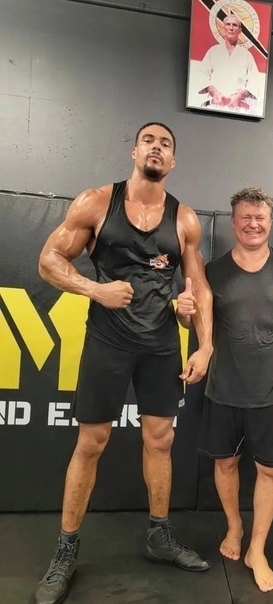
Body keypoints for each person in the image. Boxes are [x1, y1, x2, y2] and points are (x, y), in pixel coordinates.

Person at [35, 122, 214, 604]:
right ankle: (65, 551)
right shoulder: (96, 202)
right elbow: (49, 260)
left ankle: (159, 536)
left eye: (166, 144)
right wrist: (95, 289)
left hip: (161, 345)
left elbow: (199, 287)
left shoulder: (184, 219)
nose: (157, 148)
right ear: (134, 151)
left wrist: (204, 344)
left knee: (161, 439)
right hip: (108, 341)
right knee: (91, 443)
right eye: (149, 141)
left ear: (173, 161)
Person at [177, 187, 273, 593]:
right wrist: (184, 313)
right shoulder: (213, 271)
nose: (253, 224)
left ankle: (257, 549)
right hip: (223, 390)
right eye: (245, 217)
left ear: (270, 222)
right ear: (233, 223)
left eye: (260, 217)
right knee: (226, 465)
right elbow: (194, 323)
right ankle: (234, 526)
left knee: (271, 471)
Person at [192, 14, 262, 114]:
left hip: (237, 107)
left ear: (240, 30)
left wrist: (239, 96)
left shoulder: (246, 55)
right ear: (223, 28)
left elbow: (255, 82)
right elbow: (201, 75)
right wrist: (214, 92)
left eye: (235, 25)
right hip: (215, 104)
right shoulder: (213, 51)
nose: (231, 28)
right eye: (228, 24)